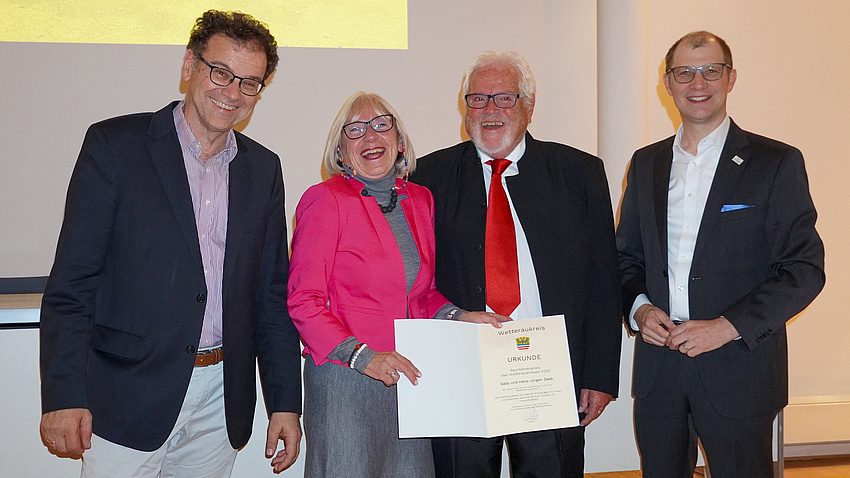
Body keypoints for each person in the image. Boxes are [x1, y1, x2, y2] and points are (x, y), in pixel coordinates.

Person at [38, 10, 302, 477]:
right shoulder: (114, 146)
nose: (232, 92)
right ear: (189, 67)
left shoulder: (264, 169)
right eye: (221, 72)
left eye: (250, 82)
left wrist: (285, 403)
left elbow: (269, 297)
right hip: (125, 396)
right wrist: (63, 396)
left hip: (222, 401)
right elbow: (73, 283)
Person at [617, 31, 825, 477]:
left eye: (711, 70)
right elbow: (625, 258)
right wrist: (639, 308)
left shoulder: (775, 162)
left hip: (740, 371)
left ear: (731, 79)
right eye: (685, 72)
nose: (698, 82)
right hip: (660, 372)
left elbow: (803, 270)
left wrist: (726, 328)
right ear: (667, 83)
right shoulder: (646, 163)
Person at [411, 50, 622, 478]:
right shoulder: (426, 176)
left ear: (528, 105)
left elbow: (603, 280)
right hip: (460, 373)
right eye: (478, 99)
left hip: (548, 372)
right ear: (464, 106)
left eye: (504, 98)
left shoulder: (579, 172)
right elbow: (414, 279)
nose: (489, 110)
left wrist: (599, 376)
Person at [287, 91, 509, 477]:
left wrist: (460, 316)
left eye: (380, 125)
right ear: (341, 152)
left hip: (408, 378)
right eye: (355, 130)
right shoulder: (324, 201)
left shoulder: (420, 199)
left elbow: (421, 293)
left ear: (400, 141)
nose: (370, 137)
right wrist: (364, 357)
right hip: (346, 377)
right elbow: (303, 300)